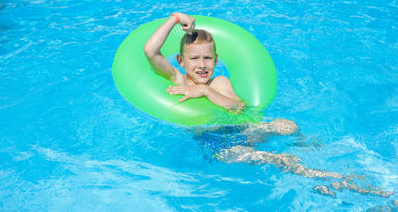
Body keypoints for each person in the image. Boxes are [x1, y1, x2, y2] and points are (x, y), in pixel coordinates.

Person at [143, 12, 394, 199]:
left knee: (287, 125)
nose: (201, 64)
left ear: (217, 60)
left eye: (207, 57)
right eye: (194, 58)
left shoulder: (218, 81)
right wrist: (175, 19)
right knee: (280, 159)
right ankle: (340, 180)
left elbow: (238, 107)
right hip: (218, 144)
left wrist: (206, 91)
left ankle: (314, 151)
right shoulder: (178, 79)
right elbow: (150, 51)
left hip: (242, 130)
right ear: (180, 60)